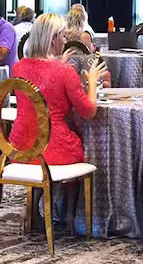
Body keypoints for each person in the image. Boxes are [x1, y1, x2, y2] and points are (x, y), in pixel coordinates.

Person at [10, 13, 103, 232]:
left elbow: (41, 86)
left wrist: (57, 66)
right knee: (76, 147)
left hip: (23, 146)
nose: (64, 40)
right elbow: (88, 111)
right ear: (53, 39)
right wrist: (91, 82)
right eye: (61, 36)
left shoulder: (19, 67)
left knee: (52, 151)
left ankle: (32, 206)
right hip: (54, 146)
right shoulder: (64, 71)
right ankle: (69, 215)